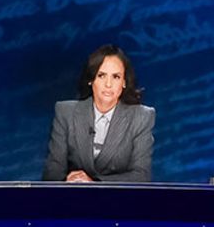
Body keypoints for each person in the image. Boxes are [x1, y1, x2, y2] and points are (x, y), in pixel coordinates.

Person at [44, 45, 156, 182]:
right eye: (101, 75)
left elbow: (141, 176)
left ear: (124, 82)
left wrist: (94, 184)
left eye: (116, 77)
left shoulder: (142, 117)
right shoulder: (65, 112)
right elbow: (52, 172)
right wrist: (70, 182)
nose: (108, 84)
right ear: (91, 79)